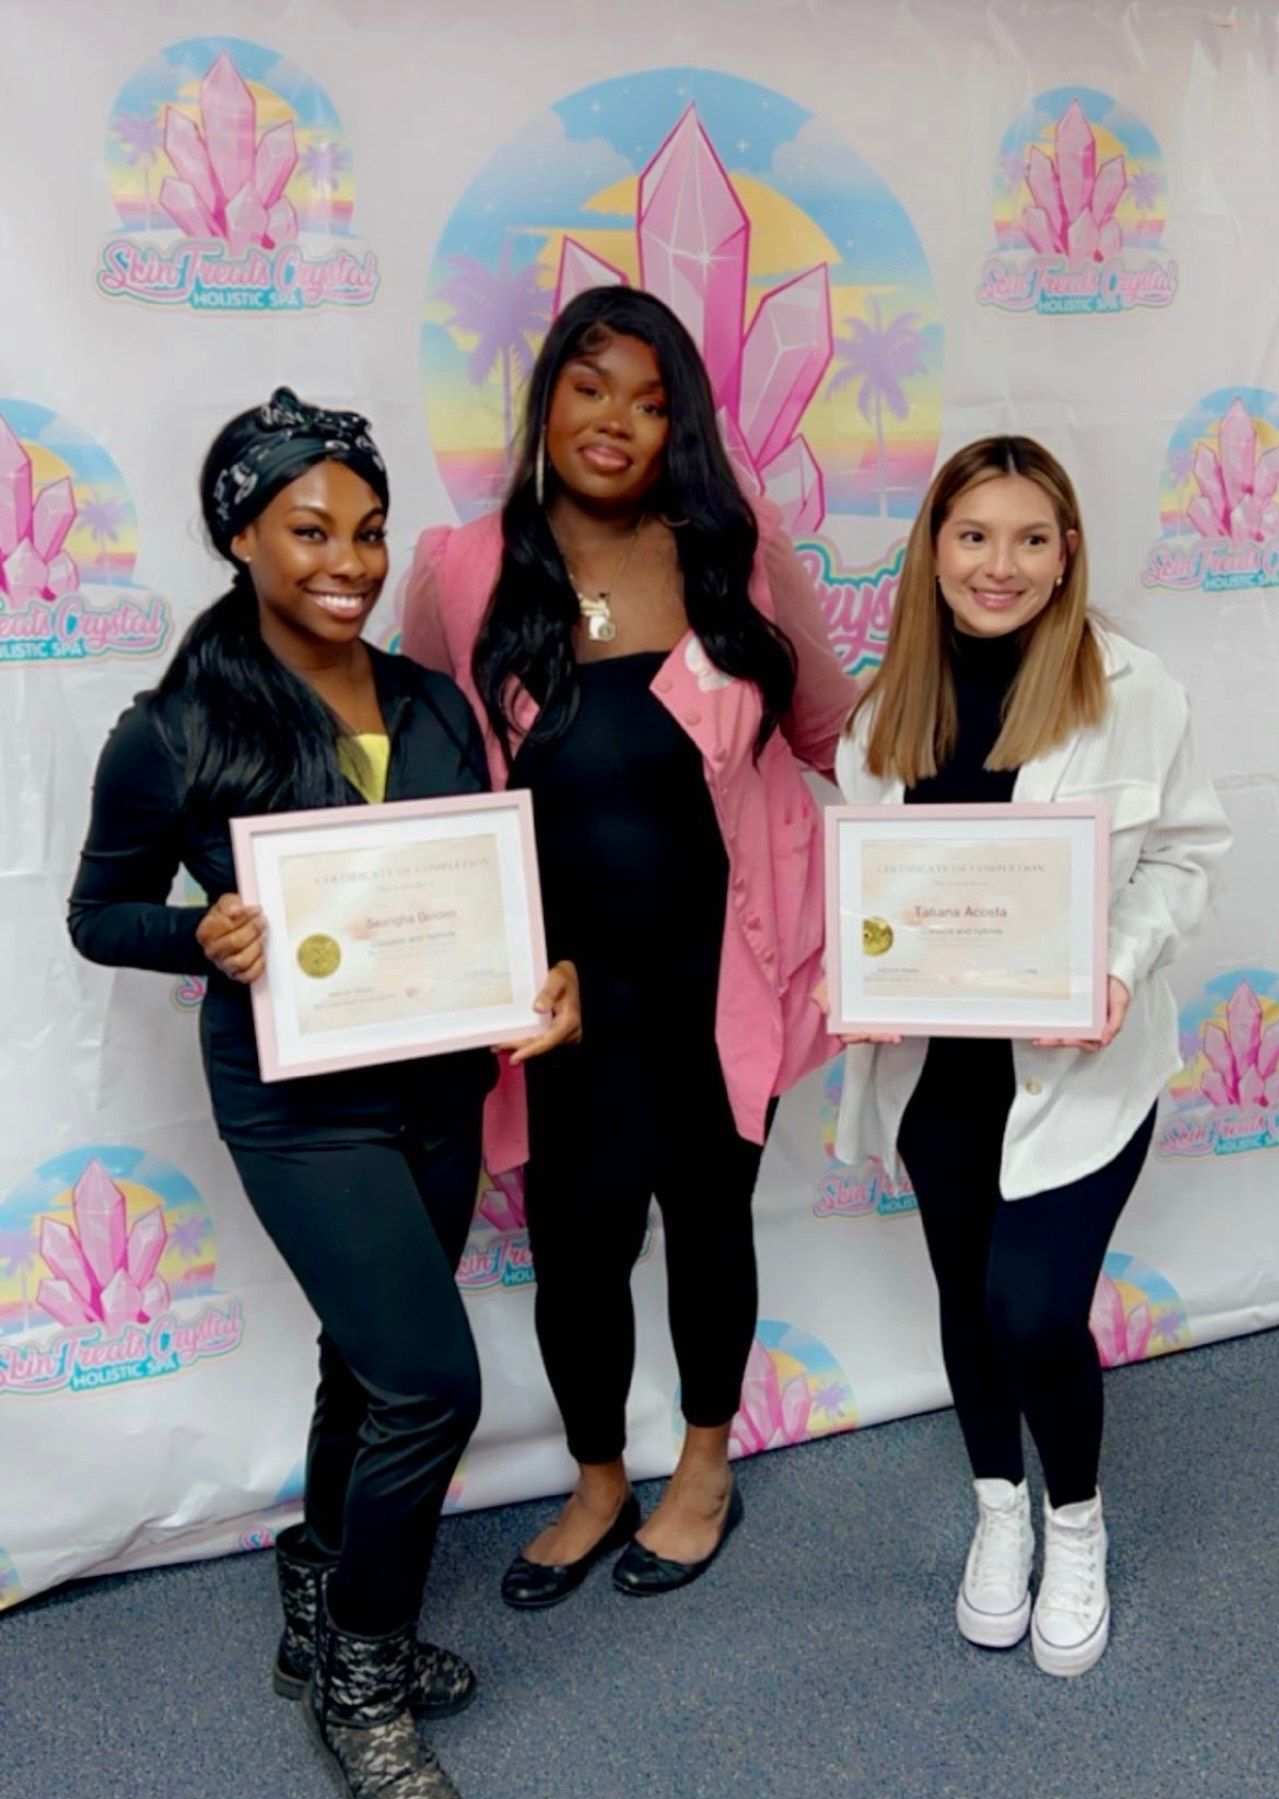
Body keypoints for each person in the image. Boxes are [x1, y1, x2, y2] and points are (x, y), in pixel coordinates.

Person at [68, 388, 581, 1799]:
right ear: (241, 535)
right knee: (433, 1385)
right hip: (298, 1109)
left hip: (433, 1083)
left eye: (366, 527)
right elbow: (98, 911)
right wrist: (198, 934)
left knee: (367, 1367)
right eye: (308, 529)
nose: (348, 557)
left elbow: (465, 891)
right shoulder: (170, 731)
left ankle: (316, 1581)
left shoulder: (428, 695)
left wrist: (527, 977)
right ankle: (360, 1680)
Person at [402, 285, 857, 1605]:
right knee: (576, 1237)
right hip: (558, 997)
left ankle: (703, 1465)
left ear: (685, 427)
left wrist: (1001, 791)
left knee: (710, 1221)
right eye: (592, 385)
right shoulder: (461, 567)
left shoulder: (736, 552)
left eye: (653, 401)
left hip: (724, 966)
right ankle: (597, 1475)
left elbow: (836, 729)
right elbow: (412, 764)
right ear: (547, 393)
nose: (617, 420)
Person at [830, 435, 1230, 1677]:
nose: (998, 565)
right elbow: (874, 887)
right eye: (971, 536)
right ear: (932, 550)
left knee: (1034, 1309)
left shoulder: (1131, 688)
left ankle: (1076, 1521)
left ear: (1066, 556)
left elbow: (1184, 853)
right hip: (942, 1071)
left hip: (1077, 1068)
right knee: (965, 1300)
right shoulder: (882, 703)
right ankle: (997, 1511)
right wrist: (869, 970)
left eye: (1029, 538)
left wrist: (1114, 968)